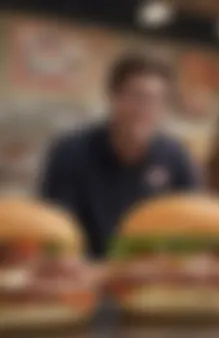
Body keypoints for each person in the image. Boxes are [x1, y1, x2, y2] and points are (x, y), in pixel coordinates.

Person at [40, 53, 198, 259]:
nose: (144, 109)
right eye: (136, 96)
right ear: (113, 96)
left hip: (153, 275)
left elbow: (192, 228)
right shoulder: (71, 152)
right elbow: (54, 232)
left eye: (156, 100)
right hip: (85, 276)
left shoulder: (176, 158)